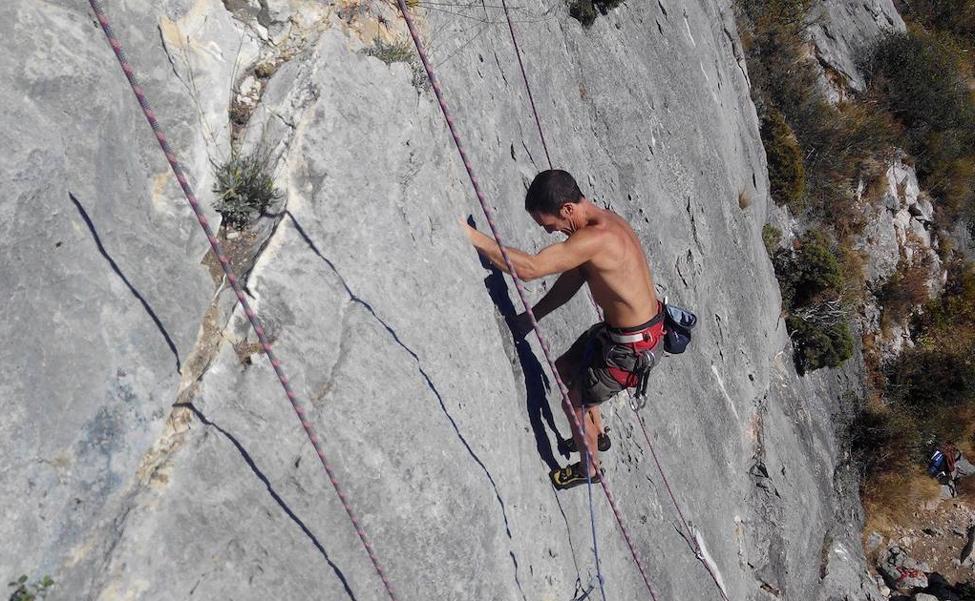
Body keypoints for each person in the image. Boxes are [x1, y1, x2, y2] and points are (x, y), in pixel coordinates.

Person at [462, 170, 664, 490]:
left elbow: (529, 268)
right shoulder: (600, 223)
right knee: (564, 369)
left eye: (549, 224)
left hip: (630, 349)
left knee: (572, 401)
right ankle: (595, 433)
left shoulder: (596, 239)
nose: (549, 231)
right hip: (626, 333)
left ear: (567, 209)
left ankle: (590, 467)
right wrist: (532, 317)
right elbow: (574, 278)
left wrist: (469, 235)